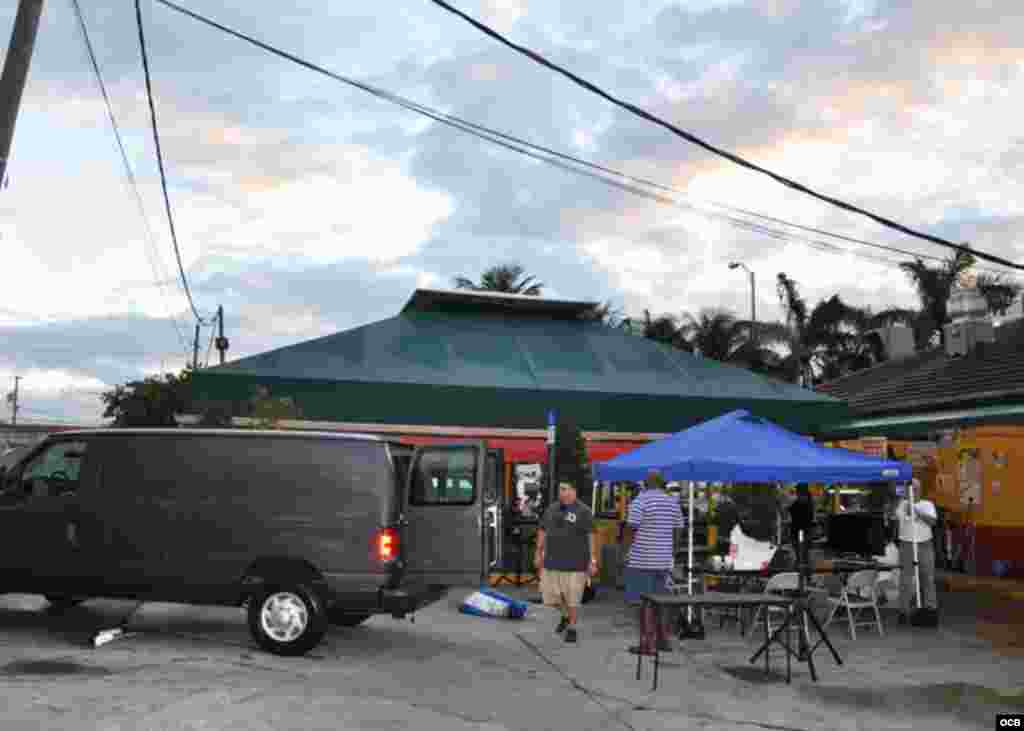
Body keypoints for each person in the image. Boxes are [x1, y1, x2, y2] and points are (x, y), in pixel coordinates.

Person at [623, 469, 684, 653]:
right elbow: (679, 529)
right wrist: (672, 551)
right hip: (663, 561)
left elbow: (631, 528)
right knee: (662, 602)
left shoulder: (640, 501)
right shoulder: (673, 503)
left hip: (641, 560)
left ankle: (647, 644)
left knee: (644, 603)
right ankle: (663, 640)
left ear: (646, 483)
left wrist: (625, 552)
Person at [534, 481, 598, 643]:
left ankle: (572, 627)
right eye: (559, 489)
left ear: (574, 491)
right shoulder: (552, 509)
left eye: (564, 489)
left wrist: (592, 560)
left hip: (576, 564)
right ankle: (565, 615)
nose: (561, 492)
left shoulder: (584, 511)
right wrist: (538, 553)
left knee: (573, 598)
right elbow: (542, 530)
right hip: (551, 562)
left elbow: (591, 536)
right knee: (551, 597)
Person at [893, 478, 938, 623]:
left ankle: (930, 609)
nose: (913, 492)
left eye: (916, 489)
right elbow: (900, 516)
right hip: (907, 544)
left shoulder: (928, 504)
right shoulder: (902, 505)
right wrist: (908, 505)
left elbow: (932, 521)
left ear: (920, 490)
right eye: (911, 489)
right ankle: (903, 611)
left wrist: (917, 511)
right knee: (905, 579)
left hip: (925, 544)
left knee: (928, 578)